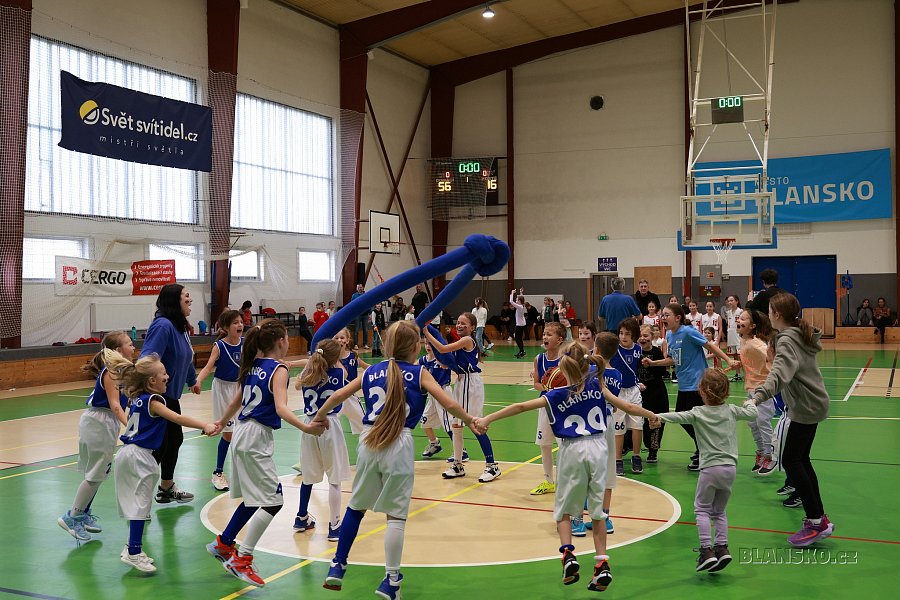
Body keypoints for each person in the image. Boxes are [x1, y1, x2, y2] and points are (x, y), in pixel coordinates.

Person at [316, 321, 482, 598]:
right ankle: (390, 579)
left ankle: (338, 564)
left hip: (369, 439)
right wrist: (471, 419)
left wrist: (319, 417)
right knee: (395, 517)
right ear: (415, 346)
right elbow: (449, 403)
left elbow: (339, 395)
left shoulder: (372, 371)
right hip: (398, 442)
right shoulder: (419, 373)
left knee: (356, 508)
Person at [475, 342, 655, 592]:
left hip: (572, 450)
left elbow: (520, 407)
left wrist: (487, 418)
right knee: (598, 511)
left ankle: (568, 554)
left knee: (563, 512)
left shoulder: (555, 394)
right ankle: (602, 564)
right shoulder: (598, 385)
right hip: (598, 448)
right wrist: (652, 416)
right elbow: (630, 407)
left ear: (562, 368)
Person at [206, 319, 326, 587]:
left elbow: (236, 399)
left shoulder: (252, 366)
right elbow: (282, 408)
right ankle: (242, 558)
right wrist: (306, 427)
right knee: (273, 502)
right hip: (255, 437)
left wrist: (220, 422)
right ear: (281, 341)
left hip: (240, 431)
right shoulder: (278, 368)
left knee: (252, 499)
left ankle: (224, 543)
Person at [105, 350, 216, 574]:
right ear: (152, 381)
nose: (167, 376)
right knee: (140, 506)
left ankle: (133, 548)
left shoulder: (137, 398)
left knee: (139, 505)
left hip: (127, 453)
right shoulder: (155, 401)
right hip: (140, 457)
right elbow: (177, 418)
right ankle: (133, 551)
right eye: (163, 373)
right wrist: (204, 425)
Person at [650, 369, 758, 572]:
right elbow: (753, 412)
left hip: (709, 469)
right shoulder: (731, 410)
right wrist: (750, 402)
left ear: (701, 391)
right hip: (730, 469)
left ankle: (706, 551)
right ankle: (722, 548)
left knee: (701, 509)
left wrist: (658, 417)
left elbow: (677, 416)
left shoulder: (697, 413)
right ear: (726, 392)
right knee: (719, 511)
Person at [749, 292, 834, 547]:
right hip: (810, 405)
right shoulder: (795, 334)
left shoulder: (787, 340)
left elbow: (779, 374)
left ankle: (816, 521)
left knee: (792, 460)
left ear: (776, 315)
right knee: (800, 460)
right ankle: (818, 518)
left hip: (806, 407)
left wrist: (758, 396)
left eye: (771, 311)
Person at [641, 303, 738, 471]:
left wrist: (728, 360)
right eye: (662, 315)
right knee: (684, 418)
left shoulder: (688, 332)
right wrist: (654, 363)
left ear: (678, 318)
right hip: (684, 384)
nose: (663, 318)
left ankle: (705, 450)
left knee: (694, 420)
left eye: (667, 315)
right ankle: (703, 448)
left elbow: (710, 346)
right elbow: (673, 359)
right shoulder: (670, 336)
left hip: (697, 383)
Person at [57, 331, 134, 542]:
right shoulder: (112, 372)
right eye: (130, 344)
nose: (134, 347)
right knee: (95, 475)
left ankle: (81, 514)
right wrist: (131, 429)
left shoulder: (122, 371)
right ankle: (71, 517)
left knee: (99, 474)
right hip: (99, 421)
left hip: (104, 422)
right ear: (118, 350)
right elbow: (115, 405)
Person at [140, 283, 201, 503]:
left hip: (171, 395)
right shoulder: (163, 326)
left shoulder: (179, 326)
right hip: (159, 396)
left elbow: (186, 354)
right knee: (164, 443)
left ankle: (165, 487)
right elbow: (147, 358)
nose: (190, 299)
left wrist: (192, 380)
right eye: (186, 296)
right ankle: (140, 490)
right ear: (174, 300)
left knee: (173, 441)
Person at [424, 313, 502, 483]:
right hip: (462, 382)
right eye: (458, 323)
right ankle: (458, 465)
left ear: (472, 327)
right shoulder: (462, 342)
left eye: (464, 324)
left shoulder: (467, 340)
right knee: (456, 425)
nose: (459, 326)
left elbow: (443, 349)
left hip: (470, 384)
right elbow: (447, 358)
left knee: (476, 425)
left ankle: (492, 466)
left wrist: (426, 332)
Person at [293, 339, 351, 542]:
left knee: (308, 476)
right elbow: (342, 372)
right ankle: (334, 526)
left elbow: (298, 386)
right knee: (334, 479)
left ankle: (301, 517)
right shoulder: (339, 374)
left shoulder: (306, 375)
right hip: (330, 425)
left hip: (309, 426)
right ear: (335, 358)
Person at [195, 309, 244, 492]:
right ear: (225, 327)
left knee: (243, 430)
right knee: (228, 433)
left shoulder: (246, 344)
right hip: (223, 389)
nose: (239, 325)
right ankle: (218, 473)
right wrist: (198, 381)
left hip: (240, 388)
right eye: (235, 323)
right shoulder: (220, 346)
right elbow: (208, 367)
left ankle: (242, 471)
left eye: (240, 322)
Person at [736, 309, 778, 475]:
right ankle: (761, 452)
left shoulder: (757, 343)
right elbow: (751, 360)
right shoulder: (744, 341)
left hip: (763, 389)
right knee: (753, 423)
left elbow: (771, 357)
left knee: (762, 422)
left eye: (744, 319)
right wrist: (739, 365)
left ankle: (771, 456)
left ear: (752, 326)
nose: (739, 320)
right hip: (751, 388)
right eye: (739, 317)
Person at [529, 322, 565, 497]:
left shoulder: (566, 359)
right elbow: (536, 383)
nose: (545, 337)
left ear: (559, 339)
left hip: (564, 407)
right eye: (544, 333)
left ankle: (566, 481)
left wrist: (559, 388)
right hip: (545, 404)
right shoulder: (539, 359)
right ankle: (549, 481)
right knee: (544, 445)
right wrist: (547, 385)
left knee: (564, 446)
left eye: (549, 334)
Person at [637, 325, 667, 464]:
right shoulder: (635, 352)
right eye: (641, 336)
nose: (643, 338)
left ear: (652, 337)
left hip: (656, 392)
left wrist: (651, 365)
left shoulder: (657, 352)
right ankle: (630, 445)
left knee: (655, 421)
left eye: (646, 336)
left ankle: (653, 450)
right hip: (639, 393)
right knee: (639, 421)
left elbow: (662, 372)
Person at [419, 341, 452, 458]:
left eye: (431, 344)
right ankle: (434, 444)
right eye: (426, 344)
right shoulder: (423, 360)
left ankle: (461, 451)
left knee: (448, 423)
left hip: (443, 392)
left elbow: (451, 365)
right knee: (425, 421)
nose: (428, 346)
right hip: (432, 395)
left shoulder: (443, 358)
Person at [351, 284, 370, 350]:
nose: (360, 288)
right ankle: (356, 344)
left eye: (361, 287)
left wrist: (370, 313)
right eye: (359, 287)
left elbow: (369, 304)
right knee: (356, 330)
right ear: (357, 288)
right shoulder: (354, 295)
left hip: (365, 315)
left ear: (363, 288)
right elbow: (352, 304)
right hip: (357, 315)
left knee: (366, 330)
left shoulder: (366, 294)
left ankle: (365, 344)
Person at [510, 288, 527, 358]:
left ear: (519, 301)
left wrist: (512, 293)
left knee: (517, 338)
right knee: (519, 338)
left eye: (517, 300)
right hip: (522, 323)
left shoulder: (519, 307)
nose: (516, 300)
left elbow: (511, 301)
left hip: (519, 324)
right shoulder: (522, 305)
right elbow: (522, 299)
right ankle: (521, 351)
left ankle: (522, 351)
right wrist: (521, 293)